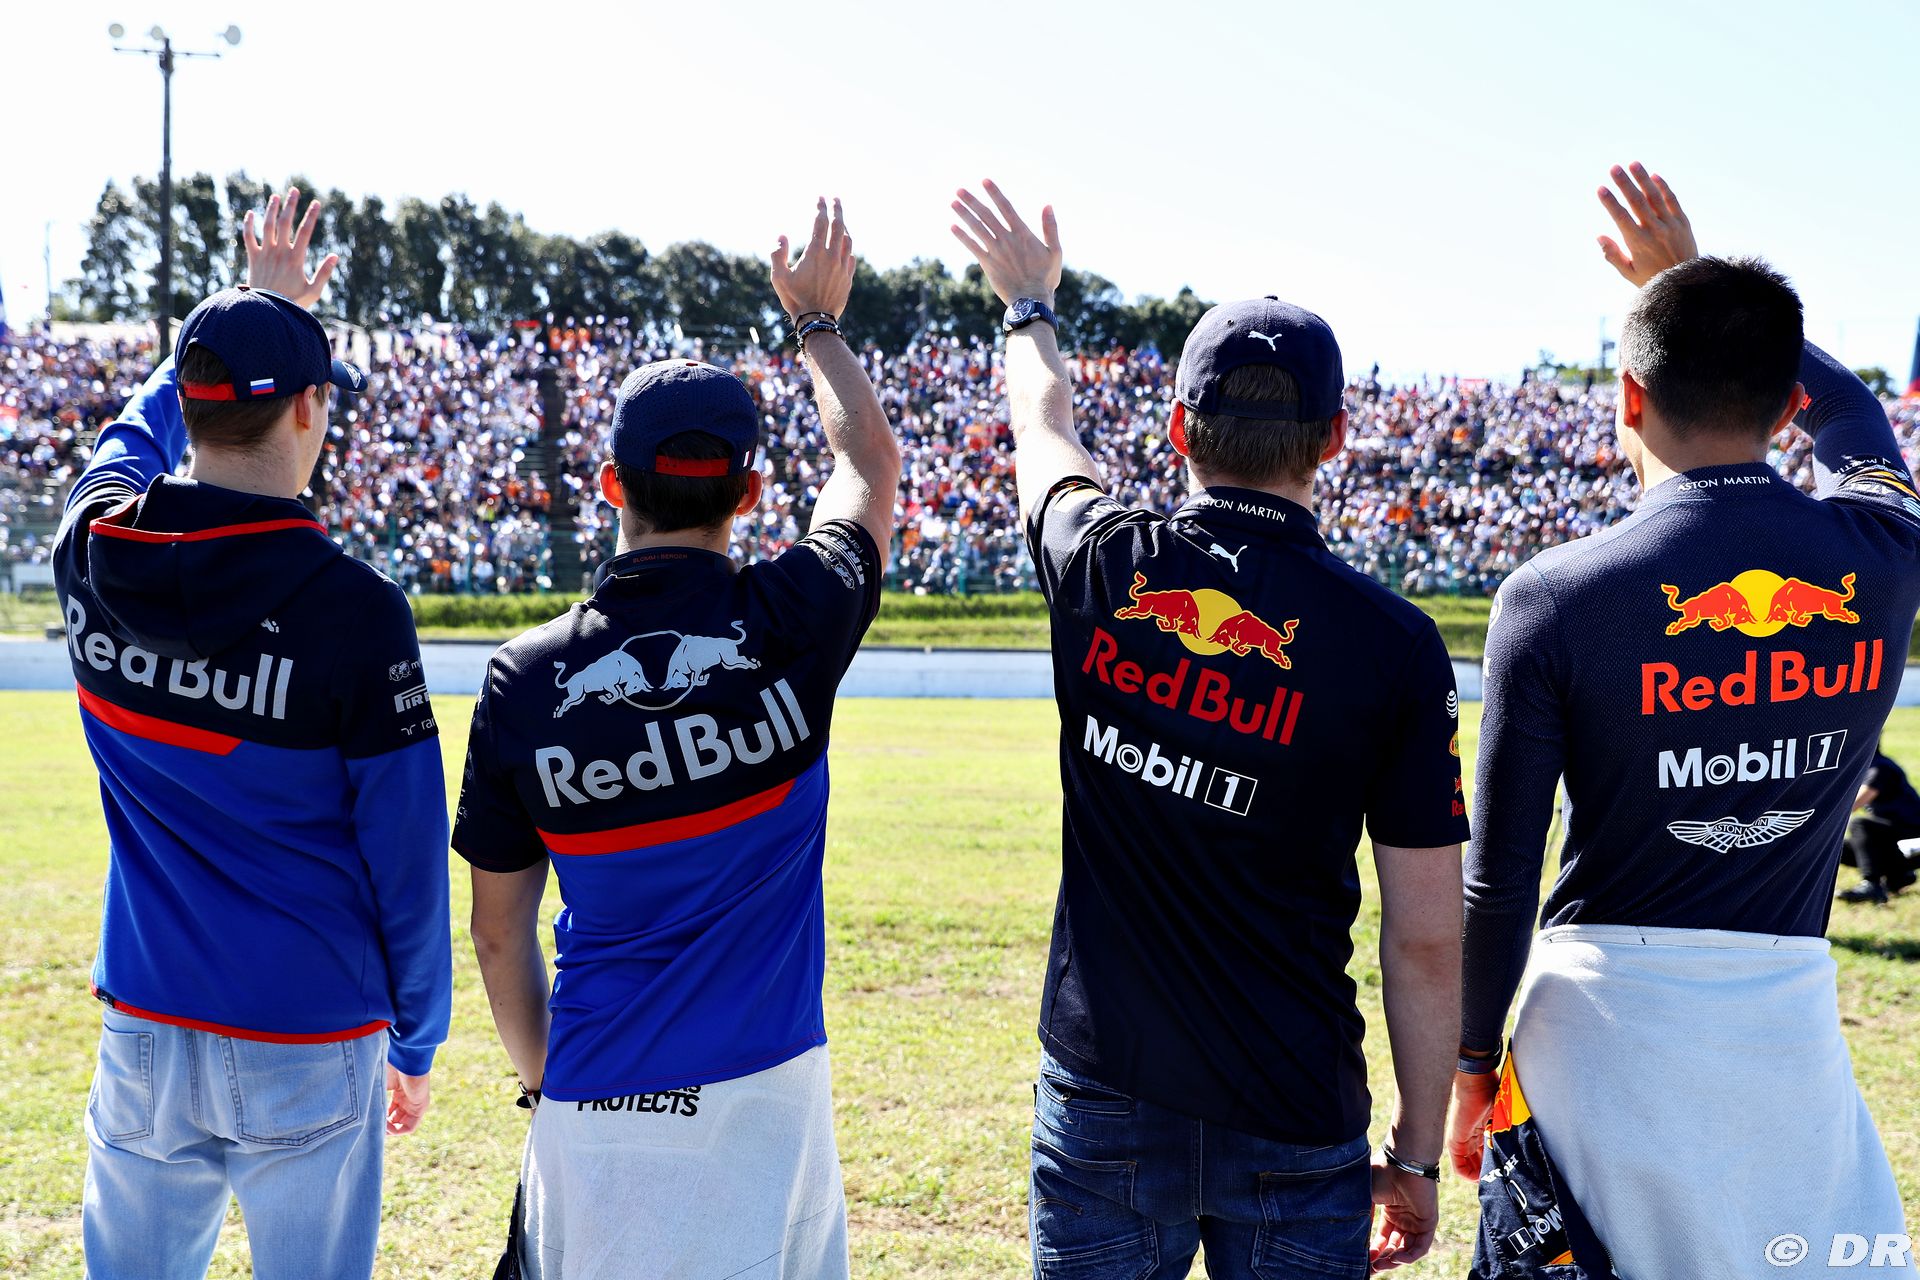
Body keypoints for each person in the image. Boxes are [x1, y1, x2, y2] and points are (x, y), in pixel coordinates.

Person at [948, 180, 1466, 1278]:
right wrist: (1416, 1156)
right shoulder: (1397, 644)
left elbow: (1044, 428)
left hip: (1108, 1084)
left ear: (1180, 427)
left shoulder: (1104, 560)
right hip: (1296, 1102)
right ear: (1334, 438)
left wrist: (1029, 305)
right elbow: (1425, 935)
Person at [1450, 164, 1919, 1278]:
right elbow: (1856, 414)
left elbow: (1500, 875)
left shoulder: (1553, 595)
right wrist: (1694, 279)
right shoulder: (1888, 552)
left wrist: (1469, 1064)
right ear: (1784, 407)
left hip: (1594, 1039)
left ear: (1628, 397)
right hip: (1786, 1035)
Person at [457, 198, 900, 1279]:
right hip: (771, 1093)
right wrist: (817, 326)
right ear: (750, 492)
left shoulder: (524, 678)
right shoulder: (794, 617)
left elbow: (499, 934)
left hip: (594, 1089)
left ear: (611, 484)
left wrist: (544, 1079)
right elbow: (869, 466)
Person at [55, 189, 451, 1280]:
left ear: (191, 403)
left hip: (145, 1022)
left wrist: (233, 313)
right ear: (312, 409)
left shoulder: (90, 550)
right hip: (310, 1028)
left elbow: (125, 441)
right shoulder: (356, 610)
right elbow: (408, 859)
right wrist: (417, 1035)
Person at [1837, 745, 1920, 903]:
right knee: (1838, 849)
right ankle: (1898, 876)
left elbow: (1851, 806)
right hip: (1894, 839)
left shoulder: (1879, 768)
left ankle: (1871, 885)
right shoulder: (1869, 766)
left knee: (1860, 825)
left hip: (1914, 838)